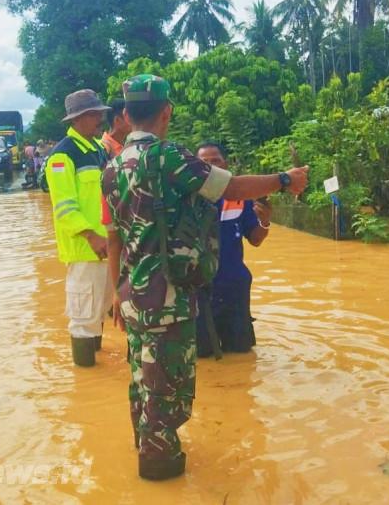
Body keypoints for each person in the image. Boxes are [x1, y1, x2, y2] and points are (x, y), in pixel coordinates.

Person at [102, 74, 308, 481]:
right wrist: (284, 180)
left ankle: (146, 450)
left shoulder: (111, 169)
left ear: (126, 114)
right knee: (167, 388)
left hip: (131, 294)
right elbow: (230, 187)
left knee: (142, 381)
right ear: (166, 112)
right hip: (167, 297)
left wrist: (117, 295)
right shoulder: (168, 157)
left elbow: (113, 240)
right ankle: (160, 468)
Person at [44, 89, 112, 367]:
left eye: (100, 114)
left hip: (107, 246)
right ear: (77, 119)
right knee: (83, 318)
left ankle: (98, 370)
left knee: (102, 309)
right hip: (86, 249)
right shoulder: (61, 157)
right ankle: (86, 374)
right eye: (94, 115)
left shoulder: (98, 151)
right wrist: (91, 236)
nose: (100, 119)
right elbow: (64, 208)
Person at [194, 142, 271, 357]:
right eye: (204, 162)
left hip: (233, 287)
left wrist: (265, 221)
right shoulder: (185, 199)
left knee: (241, 354)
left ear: (225, 164)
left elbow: (255, 239)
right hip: (198, 290)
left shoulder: (240, 198)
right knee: (202, 355)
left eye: (216, 161)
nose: (211, 166)